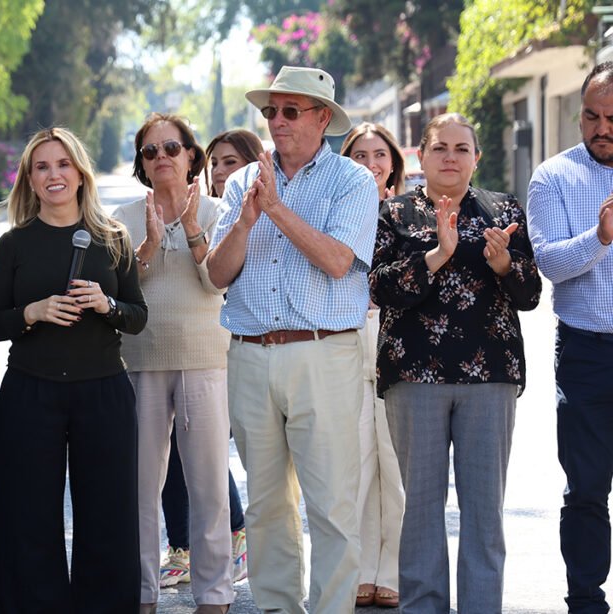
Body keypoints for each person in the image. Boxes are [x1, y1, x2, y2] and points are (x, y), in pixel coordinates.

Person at [206, 65, 379, 614]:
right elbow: (215, 275)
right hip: (251, 354)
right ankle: (279, 609)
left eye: (290, 111)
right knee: (265, 506)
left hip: (323, 351)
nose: (276, 122)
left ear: (323, 119)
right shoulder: (240, 183)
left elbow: (336, 261)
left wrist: (276, 209)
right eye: (270, 111)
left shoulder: (351, 180)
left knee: (330, 505)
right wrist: (245, 219)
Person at [371, 112, 541, 612]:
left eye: (461, 149)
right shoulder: (395, 214)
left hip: (490, 376)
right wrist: (435, 257)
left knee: (484, 512)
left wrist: (505, 265)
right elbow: (378, 287)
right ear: (420, 157)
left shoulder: (503, 210)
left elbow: (530, 293)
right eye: (439, 147)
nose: (450, 156)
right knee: (421, 509)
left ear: (476, 159)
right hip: (413, 375)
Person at [0, 127, 147, 613]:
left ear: (80, 173)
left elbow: (137, 317)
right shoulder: (13, 244)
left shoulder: (113, 238)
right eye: (41, 167)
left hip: (103, 393)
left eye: (62, 164)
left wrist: (107, 303)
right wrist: (32, 313)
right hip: (31, 394)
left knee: (109, 518)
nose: (54, 175)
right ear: (30, 181)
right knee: (28, 519)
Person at [112, 113, 232, 614]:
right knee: (140, 488)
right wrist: (150, 247)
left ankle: (215, 594)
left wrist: (189, 228)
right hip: (139, 361)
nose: (161, 157)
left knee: (209, 486)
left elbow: (218, 283)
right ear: (142, 163)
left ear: (190, 156)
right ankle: (142, 594)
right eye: (150, 151)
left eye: (171, 148)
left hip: (206, 360)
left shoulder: (219, 211)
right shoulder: (120, 217)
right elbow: (117, 294)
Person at [151, 128, 260, 593]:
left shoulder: (233, 217)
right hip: (162, 354)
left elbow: (216, 280)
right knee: (174, 455)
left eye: (231, 162)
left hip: (223, 350)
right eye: (216, 162)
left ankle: (234, 538)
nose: (220, 171)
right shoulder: (189, 211)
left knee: (207, 458)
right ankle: (183, 547)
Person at [526, 62, 613, 613]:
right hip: (586, 353)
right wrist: (600, 237)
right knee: (586, 489)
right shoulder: (553, 176)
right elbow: (548, 262)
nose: (602, 127)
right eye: (592, 116)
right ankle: (585, 602)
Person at [340, 122, 406, 608]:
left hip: (398, 345)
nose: (370, 163)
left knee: (396, 466)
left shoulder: (412, 214)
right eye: (359, 155)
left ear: (394, 163)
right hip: (346, 344)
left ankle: (395, 571)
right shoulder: (336, 209)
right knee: (355, 465)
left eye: (379, 154)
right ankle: (360, 568)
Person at [205, 129, 264, 198]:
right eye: (214, 163)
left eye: (230, 162)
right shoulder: (201, 207)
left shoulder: (273, 207)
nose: (217, 171)